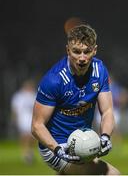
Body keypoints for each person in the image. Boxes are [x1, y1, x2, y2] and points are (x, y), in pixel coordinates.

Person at [31, 24, 120, 175]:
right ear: (68, 50)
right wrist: (58, 149)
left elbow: (107, 111)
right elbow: (36, 126)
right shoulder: (54, 80)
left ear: (95, 50)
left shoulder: (100, 71)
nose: (82, 58)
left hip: (83, 142)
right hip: (55, 146)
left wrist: (105, 136)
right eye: (76, 52)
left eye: (87, 51)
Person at [93, 76, 128, 146]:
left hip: (114, 109)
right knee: (100, 128)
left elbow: (124, 95)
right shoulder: (99, 86)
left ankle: (117, 144)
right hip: (101, 110)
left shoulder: (115, 87)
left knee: (114, 128)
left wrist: (121, 102)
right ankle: (98, 144)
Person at [11, 79, 36, 164]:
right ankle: (25, 153)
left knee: (33, 136)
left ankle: (30, 151)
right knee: (24, 136)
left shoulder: (34, 95)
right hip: (22, 118)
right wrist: (15, 118)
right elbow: (15, 108)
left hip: (32, 118)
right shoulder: (19, 96)